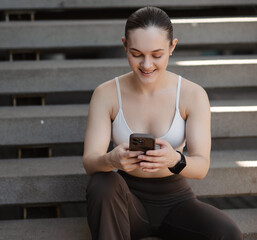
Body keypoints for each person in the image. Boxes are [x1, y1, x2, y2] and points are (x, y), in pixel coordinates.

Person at [83, 6, 242, 240]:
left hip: (176, 201)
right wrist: (111, 159)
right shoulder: (106, 94)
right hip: (125, 202)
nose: (146, 65)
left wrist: (174, 160)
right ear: (125, 45)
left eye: (157, 55)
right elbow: (90, 162)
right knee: (102, 182)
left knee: (227, 233)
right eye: (136, 54)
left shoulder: (192, 94)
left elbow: (201, 166)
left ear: (172, 47)